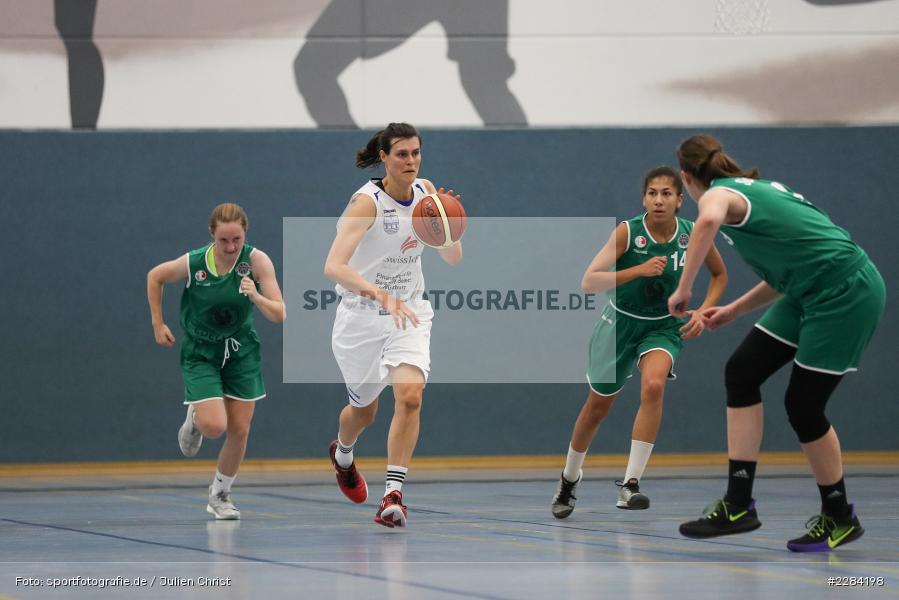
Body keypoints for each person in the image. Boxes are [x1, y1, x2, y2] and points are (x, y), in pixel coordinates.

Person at [668, 134, 885, 552]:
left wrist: (684, 288)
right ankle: (737, 505)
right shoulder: (758, 191)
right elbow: (786, 273)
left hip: (845, 291)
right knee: (742, 372)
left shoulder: (720, 194)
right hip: (809, 288)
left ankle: (839, 516)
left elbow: (707, 220)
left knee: (804, 405)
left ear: (686, 178)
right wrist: (733, 310)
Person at [552, 166, 728, 518]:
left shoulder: (692, 234)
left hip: (661, 327)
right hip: (619, 323)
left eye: (666, 193)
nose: (658, 200)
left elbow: (720, 275)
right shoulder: (628, 233)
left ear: (680, 200)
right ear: (644, 198)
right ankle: (569, 479)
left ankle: (630, 485)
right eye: (652, 193)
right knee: (596, 409)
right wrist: (638, 269)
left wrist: (702, 311)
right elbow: (589, 281)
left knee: (653, 386)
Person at [323, 122, 463, 528]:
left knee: (411, 397)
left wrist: (449, 227)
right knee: (363, 413)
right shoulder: (366, 204)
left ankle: (392, 495)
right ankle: (343, 454)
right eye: (402, 154)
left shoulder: (427, 194)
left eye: (416, 153)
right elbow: (333, 266)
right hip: (361, 317)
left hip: (410, 313)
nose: (411, 161)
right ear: (383, 156)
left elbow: (453, 259)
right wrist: (381, 296)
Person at [147, 203, 286, 520]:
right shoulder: (195, 262)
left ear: (245, 234)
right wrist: (158, 323)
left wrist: (256, 296)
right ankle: (196, 417)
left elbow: (279, 314)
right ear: (212, 235)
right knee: (214, 427)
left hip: (241, 351)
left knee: (239, 429)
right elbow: (155, 277)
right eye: (224, 240)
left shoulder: (256, 261)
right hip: (202, 352)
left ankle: (220, 494)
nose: (231, 247)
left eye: (236, 239)